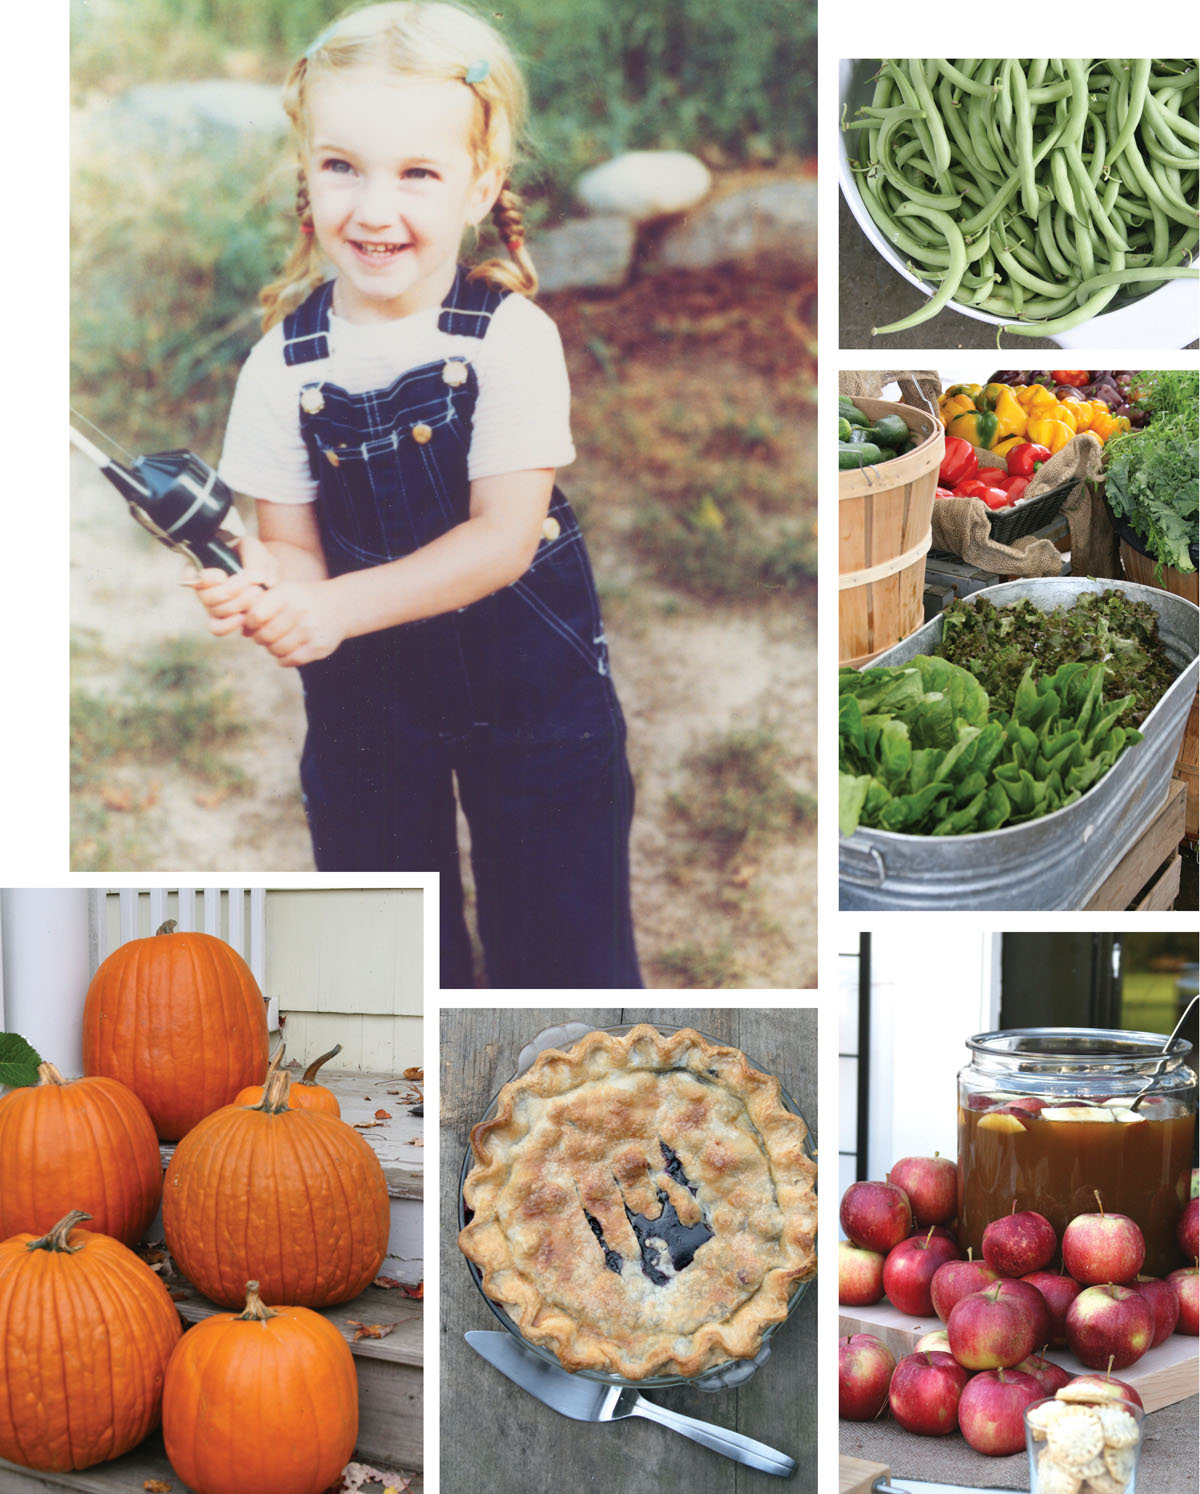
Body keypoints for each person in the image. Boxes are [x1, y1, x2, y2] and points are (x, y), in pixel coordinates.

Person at [189, 1, 641, 989]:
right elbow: (292, 546)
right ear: (305, 172)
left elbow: (502, 543)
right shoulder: (280, 367)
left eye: (417, 173)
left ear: (482, 184)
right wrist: (276, 597)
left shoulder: (508, 341)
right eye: (342, 165)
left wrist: (333, 606)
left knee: (562, 949)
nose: (373, 208)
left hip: (536, 701)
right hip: (368, 709)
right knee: (386, 952)